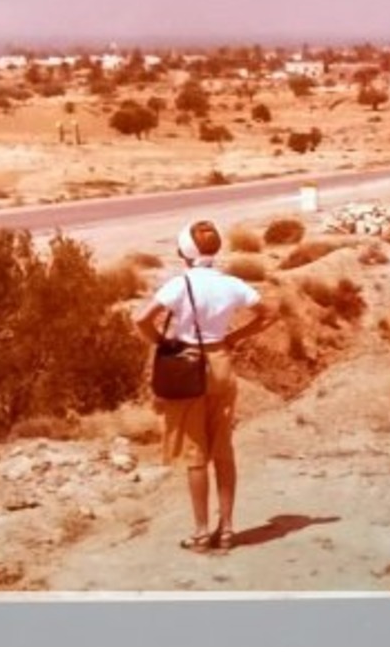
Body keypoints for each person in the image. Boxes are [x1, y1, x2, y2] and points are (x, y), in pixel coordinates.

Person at [135, 219, 274, 551]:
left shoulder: (179, 285)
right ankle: (226, 530)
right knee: (223, 450)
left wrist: (164, 344)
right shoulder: (232, 284)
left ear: (185, 252)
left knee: (196, 454)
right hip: (221, 365)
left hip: (188, 365)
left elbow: (139, 319)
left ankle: (200, 532)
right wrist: (232, 337)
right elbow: (268, 314)